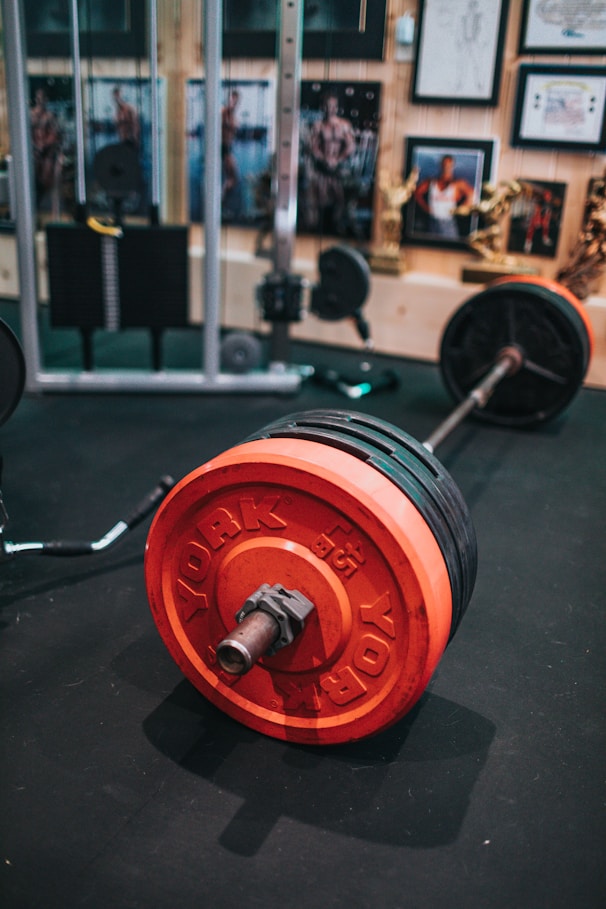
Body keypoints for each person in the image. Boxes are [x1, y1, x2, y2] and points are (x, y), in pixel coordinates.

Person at [304, 91, 356, 232]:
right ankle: (319, 227)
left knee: (340, 199)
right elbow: (312, 147)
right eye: (327, 106)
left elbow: (350, 146)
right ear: (323, 107)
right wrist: (324, 159)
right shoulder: (317, 126)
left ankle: (337, 226)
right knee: (319, 198)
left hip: (338, 168)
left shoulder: (344, 125)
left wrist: (337, 160)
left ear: (337, 107)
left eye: (333, 106)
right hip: (322, 168)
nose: (330, 109)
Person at [414, 154, 476, 239]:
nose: (446, 167)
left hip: (448, 223)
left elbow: (472, 194)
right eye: (444, 164)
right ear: (441, 165)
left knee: (449, 249)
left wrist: (460, 209)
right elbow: (416, 193)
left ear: (452, 166)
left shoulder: (458, 183)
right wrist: (426, 207)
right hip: (432, 221)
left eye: (449, 165)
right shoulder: (431, 182)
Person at [30, 87, 63, 212]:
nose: (39, 101)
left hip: (46, 154)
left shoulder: (49, 116)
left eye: (42, 98)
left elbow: (55, 135)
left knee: (45, 181)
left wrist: (44, 147)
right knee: (34, 180)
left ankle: (39, 206)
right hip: (34, 154)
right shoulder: (32, 115)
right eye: (38, 98)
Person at [221, 89, 240, 204]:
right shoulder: (223, 113)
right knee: (232, 176)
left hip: (228, 148)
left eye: (236, 101)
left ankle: (222, 200)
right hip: (222, 149)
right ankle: (221, 201)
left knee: (232, 177)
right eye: (233, 100)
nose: (234, 103)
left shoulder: (232, 116)